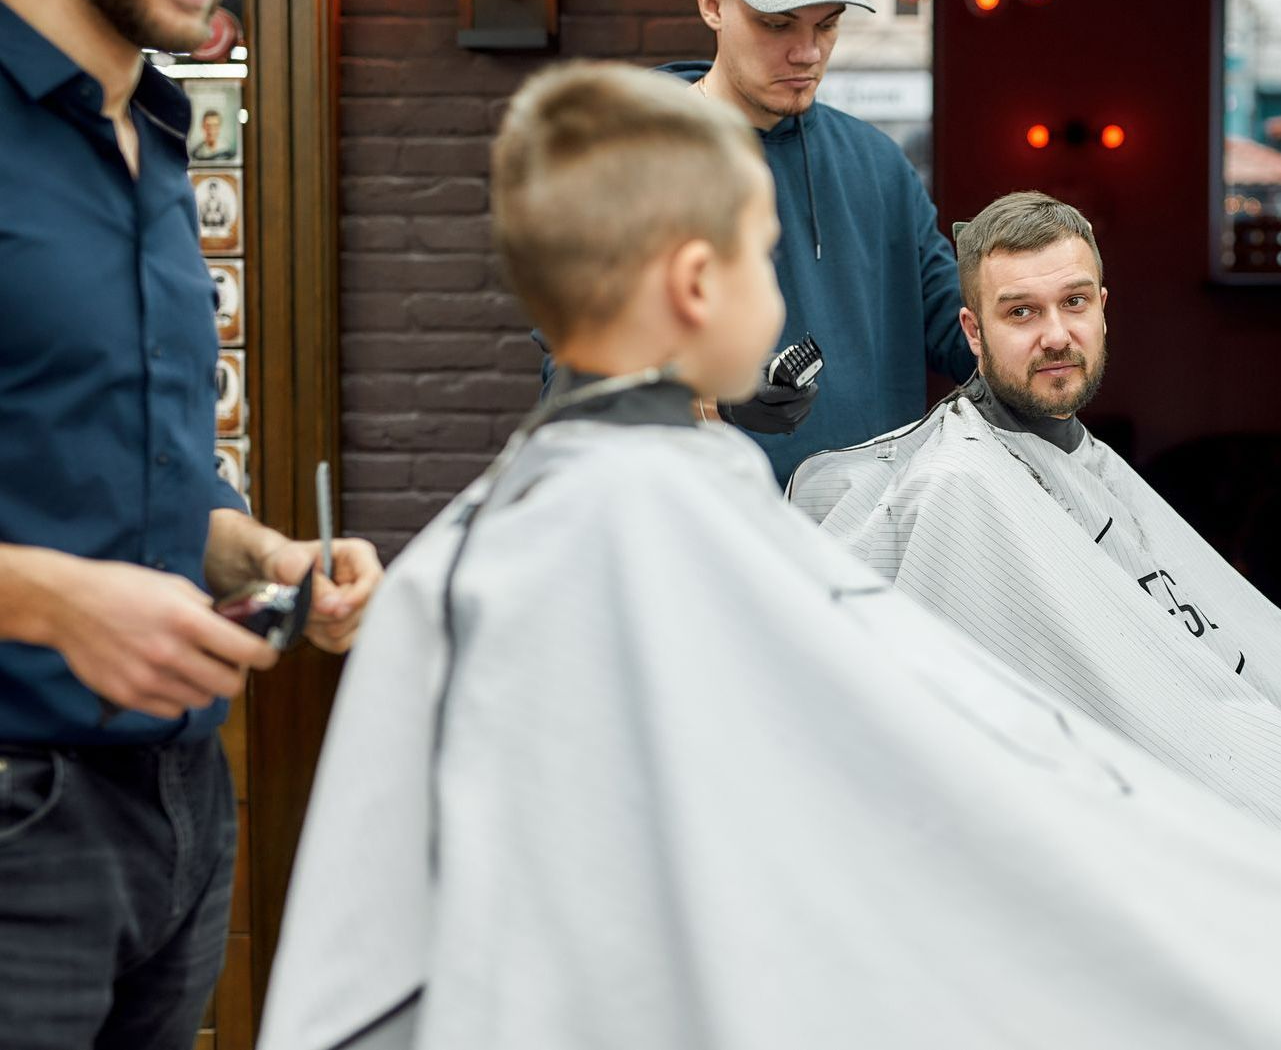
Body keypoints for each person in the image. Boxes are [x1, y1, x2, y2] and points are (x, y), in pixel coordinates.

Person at [262, 64, 1281, 1050]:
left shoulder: (493, 536)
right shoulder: (662, 521)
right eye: (766, 255)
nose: (784, 295)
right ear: (700, 284)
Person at [0, 0, 383, 1047]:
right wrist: (54, 601)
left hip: (179, 807)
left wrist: (267, 555)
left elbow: (138, 472)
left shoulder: (151, 138)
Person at [791, 189, 1281, 825]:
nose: (1056, 335)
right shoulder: (956, 487)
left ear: (1103, 310)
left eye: (1073, 302)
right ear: (973, 330)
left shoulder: (1090, 463)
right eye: (1020, 312)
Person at [655, 0, 975, 485]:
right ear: (711, 5)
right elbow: (580, 367)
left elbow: (958, 328)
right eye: (776, 25)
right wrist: (709, 396)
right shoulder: (635, 151)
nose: (807, 53)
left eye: (827, 25)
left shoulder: (881, 165)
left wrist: (1041, 323)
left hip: (870, 538)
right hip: (710, 534)